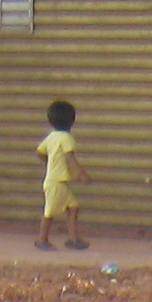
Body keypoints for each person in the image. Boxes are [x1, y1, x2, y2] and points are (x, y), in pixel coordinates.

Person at [35, 98, 88, 251]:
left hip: (57, 181)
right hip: (56, 182)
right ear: (72, 121)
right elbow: (70, 158)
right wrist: (81, 174)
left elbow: (39, 152)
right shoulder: (66, 138)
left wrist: (50, 163)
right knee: (49, 213)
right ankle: (42, 240)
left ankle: (73, 239)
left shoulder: (51, 136)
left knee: (73, 207)